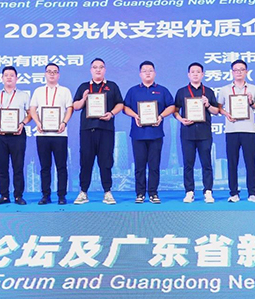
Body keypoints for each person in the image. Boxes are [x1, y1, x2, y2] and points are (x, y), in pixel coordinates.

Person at [73, 58, 124, 205]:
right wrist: (84, 98)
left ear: (105, 70)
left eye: (101, 67)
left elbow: (120, 104)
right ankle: (83, 192)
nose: (98, 70)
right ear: (91, 70)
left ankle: (107, 192)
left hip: (106, 129)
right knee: (86, 161)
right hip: (87, 130)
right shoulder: (84, 86)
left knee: (106, 161)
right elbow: (76, 106)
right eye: (95, 67)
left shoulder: (112, 86)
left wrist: (111, 114)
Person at [123, 61, 175, 204]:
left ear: (155, 73)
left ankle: (153, 193)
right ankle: (140, 193)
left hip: (155, 134)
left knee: (154, 165)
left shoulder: (162, 90)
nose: (147, 73)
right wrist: (135, 116)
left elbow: (172, 106)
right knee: (139, 166)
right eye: (144, 70)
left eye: (150, 70)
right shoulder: (133, 91)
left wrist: (161, 116)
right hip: (138, 134)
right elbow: (125, 107)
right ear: (140, 74)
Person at [217, 60, 255, 203]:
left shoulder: (253, 88)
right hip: (231, 130)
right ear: (232, 72)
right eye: (236, 70)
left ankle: (253, 193)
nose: (239, 72)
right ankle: (233, 193)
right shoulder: (224, 89)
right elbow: (219, 107)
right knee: (232, 163)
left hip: (248, 130)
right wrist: (226, 114)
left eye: (242, 69)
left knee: (250, 162)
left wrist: (251, 102)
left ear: (246, 72)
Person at [0, 66, 31, 206]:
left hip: (18, 134)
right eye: (6, 75)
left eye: (12, 75)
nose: (9, 77)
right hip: (0, 135)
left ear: (16, 78)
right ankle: (4, 195)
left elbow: (30, 114)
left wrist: (22, 123)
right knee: (2, 167)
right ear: (2, 78)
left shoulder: (24, 95)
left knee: (18, 166)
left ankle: (18, 196)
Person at [174, 62, 219, 204]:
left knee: (206, 163)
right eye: (192, 72)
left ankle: (208, 191)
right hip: (187, 133)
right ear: (188, 74)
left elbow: (216, 111)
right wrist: (181, 120)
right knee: (188, 164)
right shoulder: (182, 92)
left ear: (202, 74)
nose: (195, 74)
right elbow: (175, 110)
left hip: (204, 133)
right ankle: (189, 191)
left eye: (198, 72)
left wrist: (208, 104)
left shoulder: (209, 91)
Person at [29, 63, 73, 205]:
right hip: (42, 134)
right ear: (45, 74)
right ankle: (45, 195)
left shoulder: (65, 91)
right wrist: (38, 123)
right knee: (44, 167)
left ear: (58, 74)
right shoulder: (38, 91)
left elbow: (70, 108)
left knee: (61, 166)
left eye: (55, 71)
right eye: (49, 71)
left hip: (60, 134)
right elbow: (32, 109)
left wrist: (64, 122)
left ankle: (61, 195)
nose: (52, 74)